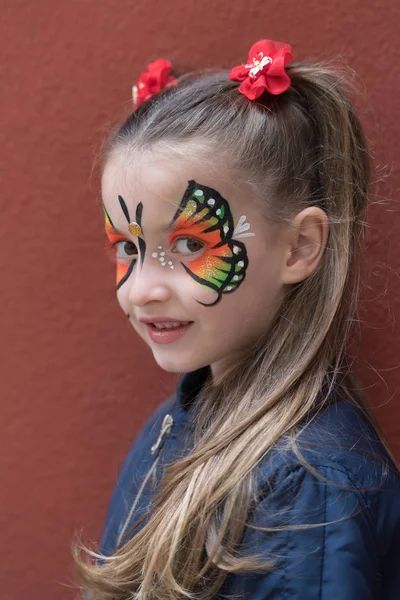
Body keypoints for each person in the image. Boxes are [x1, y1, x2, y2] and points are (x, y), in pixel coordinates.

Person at [74, 39, 400, 599]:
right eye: (128, 249)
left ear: (298, 248)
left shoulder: (310, 485)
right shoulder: (177, 425)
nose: (144, 289)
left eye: (188, 244)